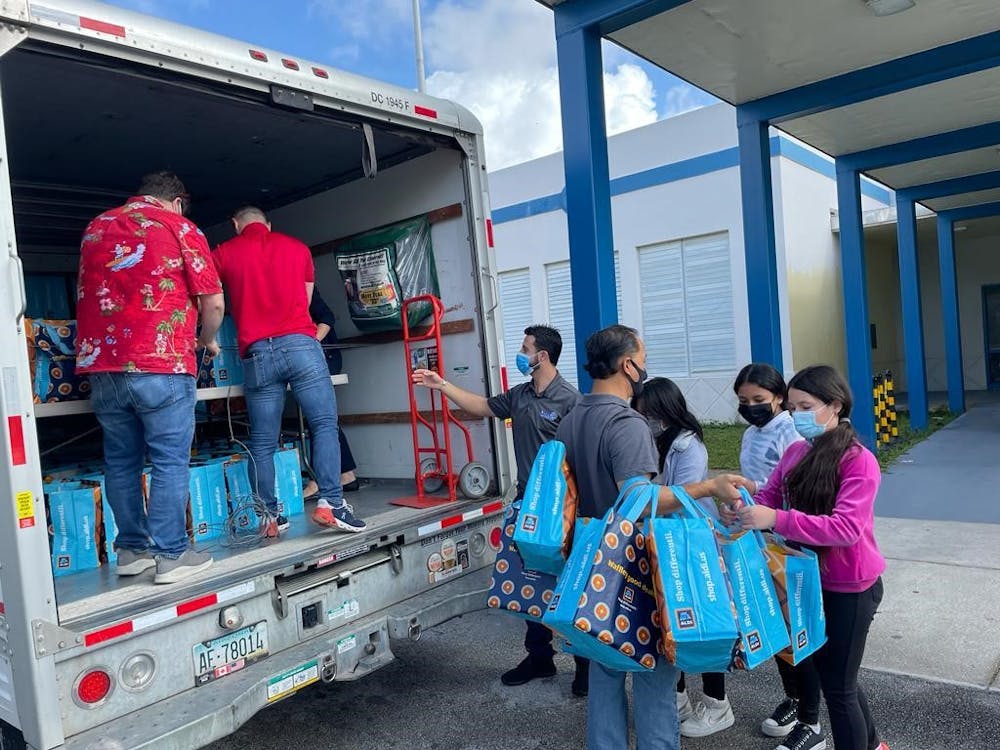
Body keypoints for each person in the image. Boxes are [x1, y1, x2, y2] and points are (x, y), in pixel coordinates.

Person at [553, 325, 750, 750]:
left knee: (605, 671)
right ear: (628, 365)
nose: (645, 366)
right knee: (655, 678)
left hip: (590, 564)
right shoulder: (625, 421)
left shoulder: (572, 418)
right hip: (633, 570)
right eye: (643, 357)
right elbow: (639, 499)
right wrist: (707, 488)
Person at [411, 325, 589, 695]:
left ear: (542, 356)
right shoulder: (521, 395)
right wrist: (442, 384)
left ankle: (584, 664)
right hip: (527, 505)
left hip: (562, 511)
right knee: (530, 586)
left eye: (525, 349)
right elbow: (481, 406)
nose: (521, 354)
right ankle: (539, 658)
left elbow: (582, 458)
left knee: (567, 587)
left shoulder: (570, 400)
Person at [76, 171, 225, 584]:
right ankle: (172, 555)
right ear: (178, 201)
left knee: (121, 460)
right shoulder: (178, 226)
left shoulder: (96, 228)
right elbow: (213, 302)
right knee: (168, 459)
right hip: (161, 362)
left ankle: (131, 551)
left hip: (103, 364)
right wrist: (204, 341)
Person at [739, 365, 889, 750]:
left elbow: (845, 528)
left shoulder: (858, 460)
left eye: (806, 406)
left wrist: (775, 519)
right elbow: (769, 497)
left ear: (834, 405)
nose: (796, 415)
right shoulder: (796, 451)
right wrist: (742, 509)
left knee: (838, 688)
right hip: (809, 578)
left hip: (851, 586)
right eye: (792, 407)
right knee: (836, 677)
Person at [212, 206, 366, 537]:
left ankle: (269, 516)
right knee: (323, 424)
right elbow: (307, 299)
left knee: (263, 440)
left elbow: (213, 300)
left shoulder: (223, 253)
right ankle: (332, 504)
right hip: (300, 345)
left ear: (236, 225)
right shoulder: (298, 248)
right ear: (268, 224)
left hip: (257, 353)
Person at [633, 377, 732, 739]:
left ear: (667, 412)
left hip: (693, 545)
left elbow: (684, 496)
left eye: (651, 414)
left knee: (704, 626)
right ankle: (678, 698)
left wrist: (648, 501)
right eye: (642, 414)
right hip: (663, 543)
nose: (646, 420)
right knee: (670, 625)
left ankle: (717, 704)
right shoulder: (652, 441)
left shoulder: (688, 446)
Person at [734, 363, 819, 745]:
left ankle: (810, 717)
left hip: (789, 539)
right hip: (760, 537)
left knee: (798, 629)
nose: (751, 407)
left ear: (779, 398)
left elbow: (792, 486)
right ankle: (792, 697)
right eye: (744, 401)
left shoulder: (792, 433)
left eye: (759, 400)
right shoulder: (752, 433)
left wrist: (755, 491)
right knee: (774, 626)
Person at [303, 287, 363, 497]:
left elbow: (327, 317)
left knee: (319, 419)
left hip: (324, 356)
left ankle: (319, 479)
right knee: (322, 419)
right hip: (310, 358)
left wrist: (311, 344)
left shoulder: (302, 283)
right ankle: (346, 474)